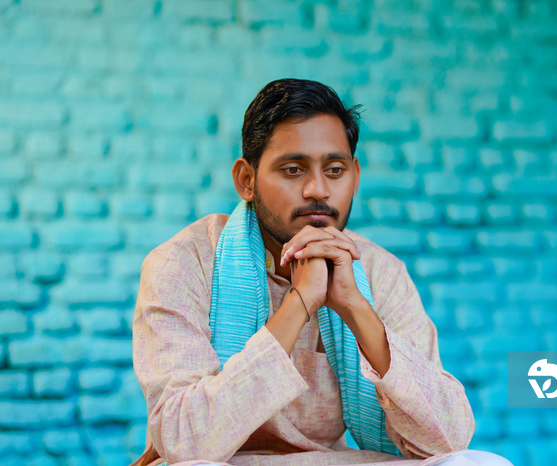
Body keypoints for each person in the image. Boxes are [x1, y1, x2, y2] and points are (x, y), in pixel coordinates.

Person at [131, 79, 512, 466]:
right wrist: (300, 303)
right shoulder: (184, 263)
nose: (318, 190)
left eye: (334, 169)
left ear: (355, 176)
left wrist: (353, 306)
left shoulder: (380, 271)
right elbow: (183, 442)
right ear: (247, 180)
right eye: (293, 169)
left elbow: (448, 438)